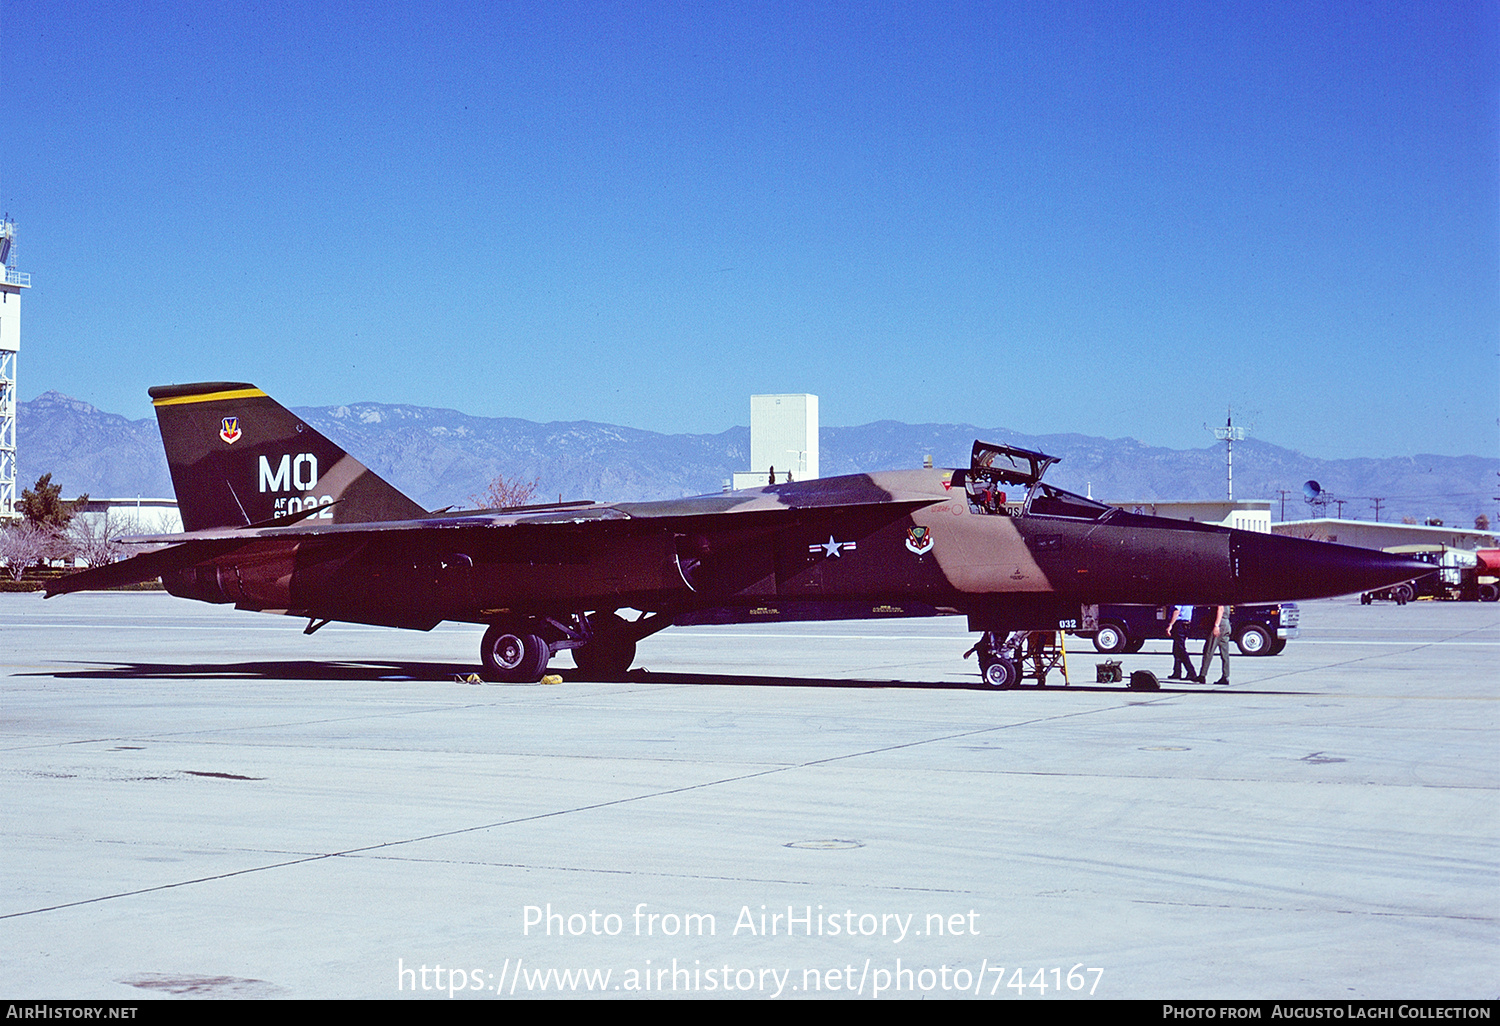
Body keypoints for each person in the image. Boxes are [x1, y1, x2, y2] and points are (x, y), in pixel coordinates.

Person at [1197, 605, 1232, 685]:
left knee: (1209, 649)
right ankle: (1225, 676)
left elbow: (1220, 608)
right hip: (1226, 623)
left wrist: (1216, 625)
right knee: (1225, 653)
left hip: (1220, 623)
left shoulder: (1219, 595)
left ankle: (1202, 675)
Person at [1166, 604, 1195, 680]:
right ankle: (1177, 671)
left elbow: (1177, 610)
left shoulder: (1180, 597)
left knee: (1180, 649)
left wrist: (1170, 624)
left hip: (1179, 623)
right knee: (1176, 649)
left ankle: (1191, 672)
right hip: (1186, 623)